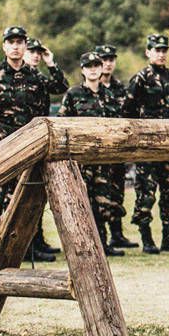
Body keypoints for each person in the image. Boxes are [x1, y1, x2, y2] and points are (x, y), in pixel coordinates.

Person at [0, 26, 66, 257]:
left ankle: (28, 247)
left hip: (29, 146)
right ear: (4, 46)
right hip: (1, 145)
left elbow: (60, 87)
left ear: (25, 46)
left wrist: (51, 62)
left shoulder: (35, 75)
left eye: (19, 42)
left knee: (27, 196)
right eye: (11, 42)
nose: (15, 46)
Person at [122, 34, 169, 254]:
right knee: (146, 194)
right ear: (148, 52)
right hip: (148, 147)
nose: (161, 54)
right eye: (156, 50)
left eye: (164, 50)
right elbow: (127, 110)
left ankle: (168, 238)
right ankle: (147, 240)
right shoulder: (141, 78)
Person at [60, 52, 127, 257]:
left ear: (101, 68)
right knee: (81, 203)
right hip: (81, 161)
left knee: (103, 203)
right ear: (82, 70)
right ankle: (82, 245)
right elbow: (62, 123)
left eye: (96, 65)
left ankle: (102, 244)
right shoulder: (73, 94)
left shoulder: (111, 96)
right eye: (88, 66)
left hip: (105, 161)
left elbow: (119, 124)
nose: (93, 69)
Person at [93, 42, 135, 250]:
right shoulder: (91, 88)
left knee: (118, 192)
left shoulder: (120, 89)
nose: (107, 64)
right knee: (100, 195)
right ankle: (102, 238)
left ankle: (117, 235)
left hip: (118, 151)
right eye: (103, 59)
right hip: (98, 152)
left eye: (111, 59)